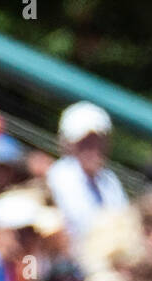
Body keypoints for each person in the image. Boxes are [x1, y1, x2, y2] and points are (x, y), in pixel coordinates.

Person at [46, 102, 128, 243]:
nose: (93, 148)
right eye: (85, 141)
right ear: (68, 144)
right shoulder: (57, 177)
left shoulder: (110, 182)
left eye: (98, 140)